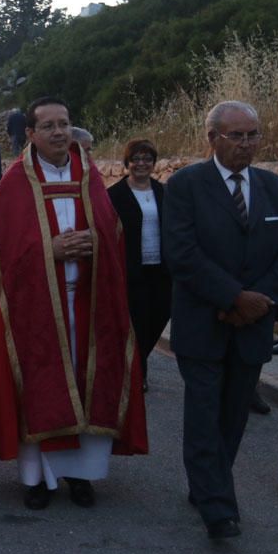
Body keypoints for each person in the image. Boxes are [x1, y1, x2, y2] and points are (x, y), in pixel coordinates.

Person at [0, 97, 148, 513]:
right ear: (31, 134)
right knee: (41, 388)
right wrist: (48, 249)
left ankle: (81, 476)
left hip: (90, 301)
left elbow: (113, 232)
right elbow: (0, 248)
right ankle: (35, 479)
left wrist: (97, 242)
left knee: (89, 384)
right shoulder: (16, 182)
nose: (59, 132)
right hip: (37, 307)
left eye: (65, 123)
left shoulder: (89, 176)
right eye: (49, 126)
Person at [163, 100, 278, 539]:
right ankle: (219, 508)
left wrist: (259, 301)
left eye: (253, 135)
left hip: (253, 323)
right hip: (204, 319)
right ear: (212, 138)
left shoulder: (274, 189)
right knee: (204, 412)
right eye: (236, 136)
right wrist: (232, 296)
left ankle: (206, 483)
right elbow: (182, 254)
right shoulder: (186, 185)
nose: (246, 144)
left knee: (233, 415)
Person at [106, 139, 171, 390]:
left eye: (147, 159)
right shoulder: (114, 195)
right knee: (136, 321)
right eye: (136, 159)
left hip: (162, 269)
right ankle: (137, 371)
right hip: (131, 269)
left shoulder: (164, 192)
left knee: (160, 317)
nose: (141, 164)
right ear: (127, 163)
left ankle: (137, 360)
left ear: (154, 163)